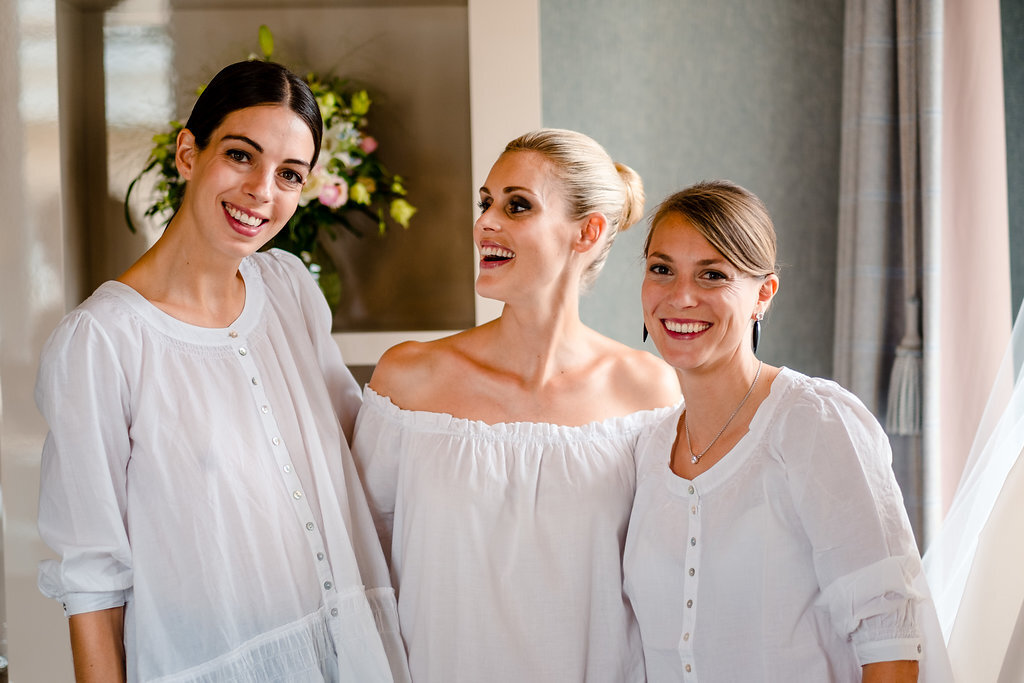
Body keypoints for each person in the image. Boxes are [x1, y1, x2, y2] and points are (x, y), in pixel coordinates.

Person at [36, 60, 409, 683]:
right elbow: (92, 579)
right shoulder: (101, 342)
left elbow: (356, 452)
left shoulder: (289, 286)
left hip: (349, 654)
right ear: (188, 152)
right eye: (241, 156)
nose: (263, 190)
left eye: (289, 174)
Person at [351, 128, 682, 682]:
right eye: (486, 202)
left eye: (517, 205)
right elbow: (361, 566)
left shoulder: (648, 390)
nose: (485, 222)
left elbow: (673, 579)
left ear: (588, 232)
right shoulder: (408, 380)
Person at [623, 180, 952, 682]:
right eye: (661, 269)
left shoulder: (815, 422)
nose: (681, 296)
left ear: (763, 294)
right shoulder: (647, 449)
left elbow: (891, 639)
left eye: (713, 275)